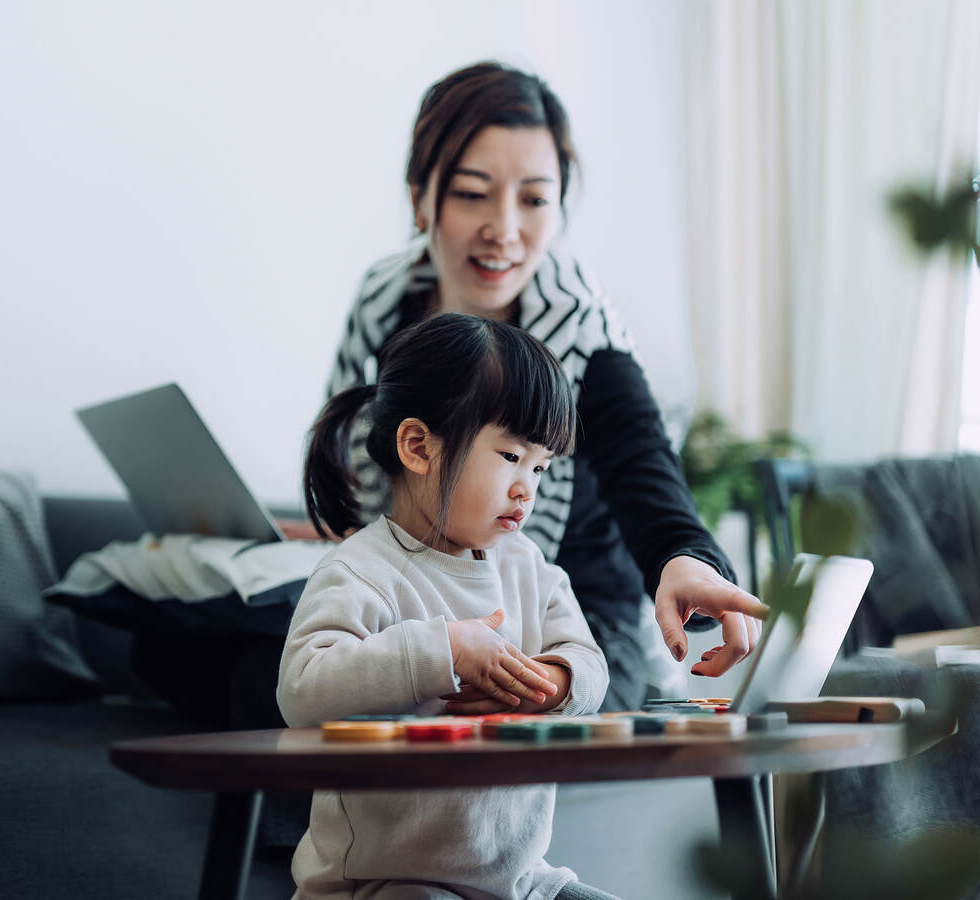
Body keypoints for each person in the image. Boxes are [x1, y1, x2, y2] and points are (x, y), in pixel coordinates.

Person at [326, 61, 767, 709]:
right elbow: (351, 460)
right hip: (407, 598)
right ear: (421, 198)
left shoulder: (584, 333)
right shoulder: (383, 301)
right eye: (473, 193)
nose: (504, 230)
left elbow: (643, 464)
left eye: (533, 199)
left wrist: (684, 557)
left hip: (568, 621)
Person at [278, 312, 616, 900]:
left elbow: (588, 662)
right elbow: (302, 689)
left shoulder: (527, 567)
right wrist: (445, 650)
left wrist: (556, 681)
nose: (527, 488)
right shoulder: (362, 570)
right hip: (386, 883)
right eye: (510, 457)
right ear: (418, 446)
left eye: (540, 466)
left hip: (520, 880)